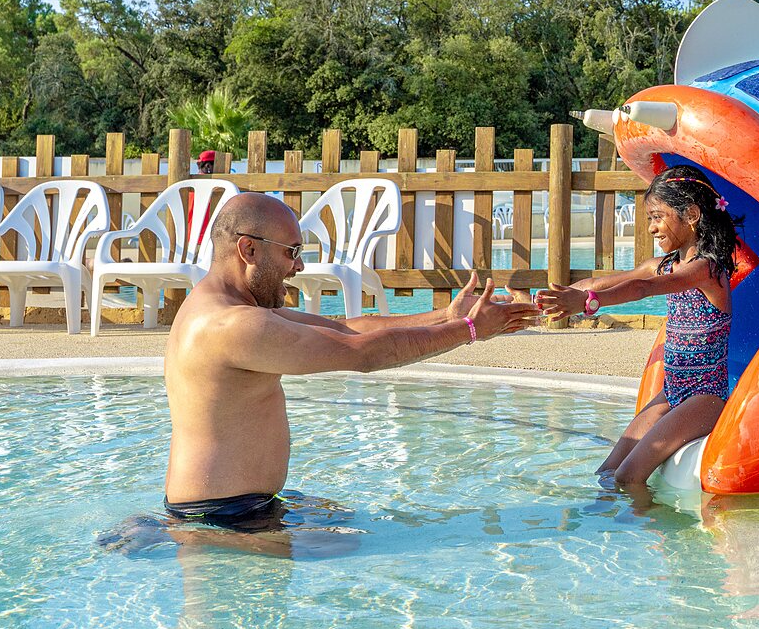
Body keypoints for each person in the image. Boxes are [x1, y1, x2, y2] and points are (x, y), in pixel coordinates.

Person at [161, 192, 540, 535]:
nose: (299, 266)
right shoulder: (229, 324)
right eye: (292, 251)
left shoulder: (232, 308)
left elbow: (345, 328)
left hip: (239, 506)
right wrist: (471, 330)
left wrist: (448, 317)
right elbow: (363, 352)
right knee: (354, 552)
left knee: (347, 530)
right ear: (249, 249)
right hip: (220, 517)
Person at [536, 164, 739, 488]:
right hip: (672, 392)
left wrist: (587, 303)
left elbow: (641, 289)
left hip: (705, 398)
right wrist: (538, 302)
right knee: (607, 472)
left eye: (658, 217)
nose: (651, 228)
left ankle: (649, 522)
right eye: (649, 219)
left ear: (691, 215)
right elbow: (595, 283)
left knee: (628, 476)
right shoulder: (665, 265)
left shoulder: (706, 270)